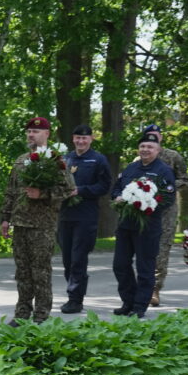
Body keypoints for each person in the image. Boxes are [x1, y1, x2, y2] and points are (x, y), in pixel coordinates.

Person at [0, 117, 74, 325]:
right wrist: (5, 218)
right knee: (22, 272)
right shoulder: (21, 160)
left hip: (42, 226)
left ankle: (41, 314)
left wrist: (42, 194)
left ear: (47, 134)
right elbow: (11, 191)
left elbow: (68, 190)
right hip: (20, 223)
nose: (31, 135)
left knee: (40, 271)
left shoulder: (55, 160)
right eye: (29, 131)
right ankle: (22, 313)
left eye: (36, 131)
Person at [111, 133, 176, 318]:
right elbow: (116, 188)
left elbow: (168, 197)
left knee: (145, 267)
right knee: (120, 265)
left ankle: (140, 306)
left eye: (150, 147)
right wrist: (117, 198)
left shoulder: (163, 170)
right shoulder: (131, 168)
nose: (145, 150)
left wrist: (148, 205)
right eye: (143, 146)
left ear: (158, 150)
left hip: (147, 226)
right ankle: (128, 301)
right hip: (125, 225)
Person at [58, 125, 111, 314]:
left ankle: (75, 299)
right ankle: (73, 293)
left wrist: (81, 190)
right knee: (67, 258)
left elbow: (105, 186)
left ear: (91, 139)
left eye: (85, 138)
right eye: (78, 138)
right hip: (65, 215)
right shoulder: (65, 158)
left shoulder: (98, 160)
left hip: (86, 216)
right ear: (73, 138)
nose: (81, 141)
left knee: (78, 258)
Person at [137, 124, 188, 307]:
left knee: (161, 249)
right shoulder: (138, 159)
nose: (151, 140)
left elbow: (186, 180)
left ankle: (155, 289)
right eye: (148, 136)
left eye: (155, 135)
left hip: (166, 211)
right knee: (143, 249)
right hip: (144, 211)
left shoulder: (173, 156)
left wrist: (166, 186)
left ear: (161, 138)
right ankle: (142, 286)